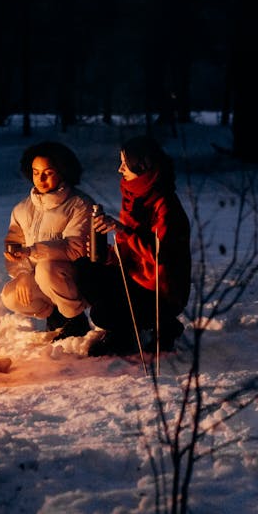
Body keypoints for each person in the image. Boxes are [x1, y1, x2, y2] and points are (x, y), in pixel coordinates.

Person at [85, 135, 191, 357]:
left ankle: (162, 325)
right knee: (87, 273)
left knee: (104, 312)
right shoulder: (134, 196)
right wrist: (108, 256)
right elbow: (130, 248)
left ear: (141, 165)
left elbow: (161, 255)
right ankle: (123, 331)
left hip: (160, 291)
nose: (119, 169)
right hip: (135, 278)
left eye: (125, 163)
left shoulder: (165, 206)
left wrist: (123, 230)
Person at [1, 141, 93, 341]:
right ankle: (55, 317)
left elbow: (74, 248)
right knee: (10, 294)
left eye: (48, 173)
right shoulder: (22, 209)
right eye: (35, 172)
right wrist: (23, 273)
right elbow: (14, 245)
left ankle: (75, 320)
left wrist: (33, 251)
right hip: (40, 277)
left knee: (46, 270)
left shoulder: (79, 204)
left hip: (75, 277)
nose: (40, 179)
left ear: (62, 171)